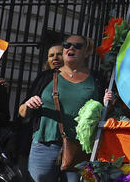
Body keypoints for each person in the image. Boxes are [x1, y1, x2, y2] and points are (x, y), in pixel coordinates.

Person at [19, 35, 111, 182]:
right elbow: (22, 112)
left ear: (87, 52)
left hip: (79, 149)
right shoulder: (46, 77)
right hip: (44, 145)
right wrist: (28, 104)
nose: (71, 48)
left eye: (77, 46)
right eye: (67, 45)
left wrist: (108, 102)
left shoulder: (97, 80)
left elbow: (105, 114)